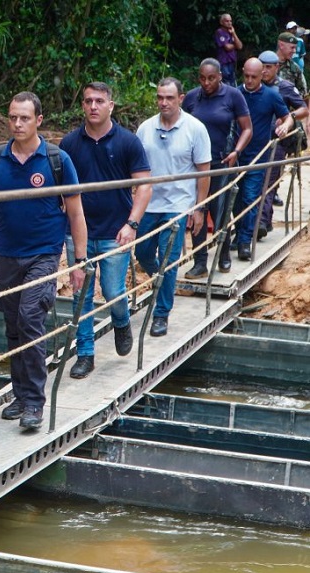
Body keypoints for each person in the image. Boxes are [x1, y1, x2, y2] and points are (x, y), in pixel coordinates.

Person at [0, 92, 87, 430]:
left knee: (29, 320)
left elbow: (76, 212)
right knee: (12, 326)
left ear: (39, 120)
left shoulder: (57, 160)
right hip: (6, 254)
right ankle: (20, 395)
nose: (17, 124)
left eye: (24, 118)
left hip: (44, 254)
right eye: (12, 118)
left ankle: (35, 402)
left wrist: (80, 260)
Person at [58, 82, 152, 379]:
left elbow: (144, 185)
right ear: (82, 106)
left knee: (113, 291)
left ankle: (121, 322)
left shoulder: (127, 141)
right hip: (78, 233)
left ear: (111, 105)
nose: (93, 106)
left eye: (99, 101)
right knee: (80, 295)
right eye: (88, 101)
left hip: (115, 231)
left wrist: (132, 224)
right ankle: (85, 354)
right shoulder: (69, 144)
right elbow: (60, 190)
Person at [135, 78, 211, 337]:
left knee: (169, 260)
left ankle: (161, 314)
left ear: (181, 98)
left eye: (169, 97)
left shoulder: (195, 128)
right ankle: (162, 281)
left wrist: (199, 208)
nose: (163, 102)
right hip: (149, 203)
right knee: (142, 253)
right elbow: (135, 168)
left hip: (178, 205)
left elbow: (204, 172)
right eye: (159, 97)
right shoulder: (145, 128)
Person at [182, 58, 253, 277]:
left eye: (211, 78)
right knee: (198, 210)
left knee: (219, 211)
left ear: (220, 76)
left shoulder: (233, 95)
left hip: (222, 163)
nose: (206, 83)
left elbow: (247, 128)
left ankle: (223, 253)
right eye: (202, 78)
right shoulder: (193, 97)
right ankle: (200, 260)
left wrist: (237, 152)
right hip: (195, 165)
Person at [228, 58, 294, 261]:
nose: (249, 80)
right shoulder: (235, 94)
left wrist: (285, 126)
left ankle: (245, 241)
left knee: (250, 198)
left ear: (261, 76)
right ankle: (239, 232)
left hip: (259, 157)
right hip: (236, 157)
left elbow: (288, 116)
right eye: (246, 76)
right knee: (236, 200)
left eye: (253, 77)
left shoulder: (271, 95)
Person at [257, 51, 307, 235]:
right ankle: (264, 220)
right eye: (261, 66)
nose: (264, 71)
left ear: (277, 67)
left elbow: (303, 108)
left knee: (268, 182)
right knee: (257, 182)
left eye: (268, 67)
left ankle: (261, 223)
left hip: (277, 141)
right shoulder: (253, 85)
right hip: (255, 141)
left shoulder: (284, 87)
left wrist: (288, 118)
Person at [275, 32, 308, 99]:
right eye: (292, 47)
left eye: (295, 48)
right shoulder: (266, 65)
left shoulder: (295, 68)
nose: (294, 51)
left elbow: (304, 93)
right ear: (281, 45)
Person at [215, 14, 243, 87]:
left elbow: (240, 46)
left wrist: (234, 33)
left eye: (230, 21)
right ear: (221, 22)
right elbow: (227, 47)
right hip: (224, 62)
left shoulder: (231, 32)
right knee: (226, 83)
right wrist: (235, 45)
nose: (229, 23)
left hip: (232, 62)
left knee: (233, 82)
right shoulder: (219, 32)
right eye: (227, 21)